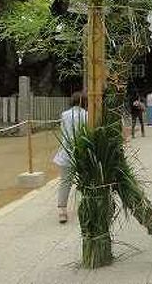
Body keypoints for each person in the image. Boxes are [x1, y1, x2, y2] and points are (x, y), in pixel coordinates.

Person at [52, 91, 88, 224]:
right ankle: (85, 206)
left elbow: (63, 132)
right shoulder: (87, 115)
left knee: (65, 182)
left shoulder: (64, 115)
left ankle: (62, 211)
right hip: (83, 152)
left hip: (66, 152)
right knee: (86, 180)